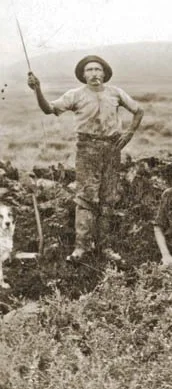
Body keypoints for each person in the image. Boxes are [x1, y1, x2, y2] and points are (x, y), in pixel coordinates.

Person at [27, 56, 144, 262]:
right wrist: (38, 89)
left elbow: (139, 110)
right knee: (85, 198)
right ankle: (81, 247)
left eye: (98, 69)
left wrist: (129, 133)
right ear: (83, 75)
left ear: (104, 73)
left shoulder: (116, 93)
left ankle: (105, 247)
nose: (94, 73)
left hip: (112, 149)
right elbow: (48, 109)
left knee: (108, 198)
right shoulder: (75, 95)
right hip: (87, 149)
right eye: (89, 70)